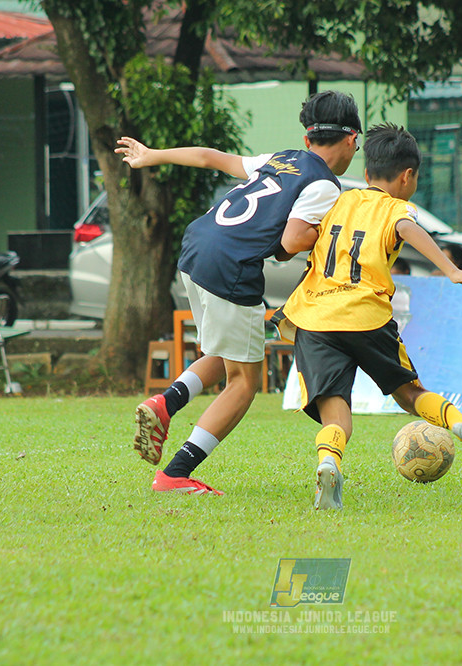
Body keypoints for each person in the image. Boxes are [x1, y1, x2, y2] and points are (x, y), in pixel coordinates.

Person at [115, 90, 362, 495]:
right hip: (231, 265)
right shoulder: (325, 186)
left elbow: (211, 158)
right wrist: (331, 235)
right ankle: (176, 473)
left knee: (225, 352)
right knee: (245, 381)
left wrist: (152, 154)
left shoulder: (280, 158)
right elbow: (295, 237)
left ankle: (165, 404)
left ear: (307, 139)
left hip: (196, 247)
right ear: (352, 139)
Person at [273, 124, 462, 511]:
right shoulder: (396, 208)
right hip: (365, 316)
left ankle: (328, 463)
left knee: (335, 411)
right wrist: (452, 270)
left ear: (367, 172)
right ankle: (460, 424)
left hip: (315, 316)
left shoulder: (338, 199)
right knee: (410, 394)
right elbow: (407, 227)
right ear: (407, 176)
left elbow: (294, 235)